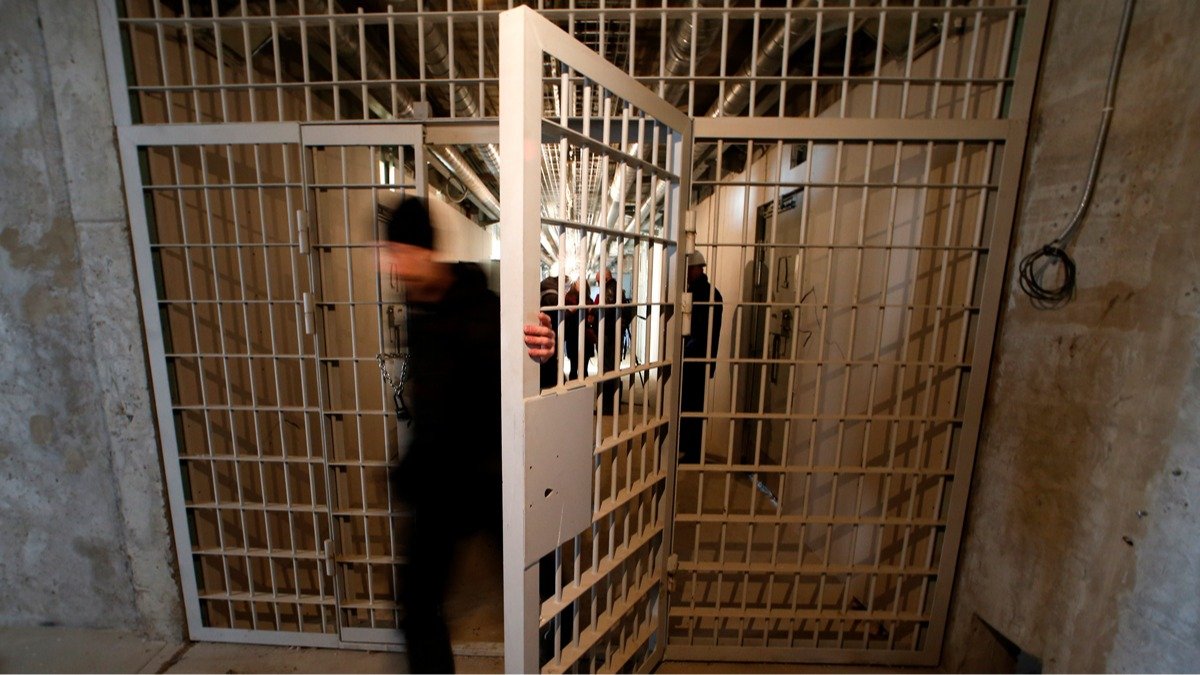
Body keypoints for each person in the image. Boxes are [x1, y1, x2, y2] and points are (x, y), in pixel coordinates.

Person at [380, 196, 554, 673]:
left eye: (399, 252)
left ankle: (559, 658)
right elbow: (432, 406)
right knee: (418, 604)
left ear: (425, 251)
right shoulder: (418, 314)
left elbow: (532, 371)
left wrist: (544, 352)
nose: (393, 265)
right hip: (441, 482)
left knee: (540, 587)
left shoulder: (484, 309)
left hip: (493, 475)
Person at [679, 251, 723, 463]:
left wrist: (685, 350)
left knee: (691, 405)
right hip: (701, 359)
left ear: (696, 269)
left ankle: (692, 451)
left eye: (689, 269)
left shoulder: (698, 294)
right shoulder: (713, 294)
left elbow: (700, 332)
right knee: (692, 404)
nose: (686, 273)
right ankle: (688, 447)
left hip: (693, 359)